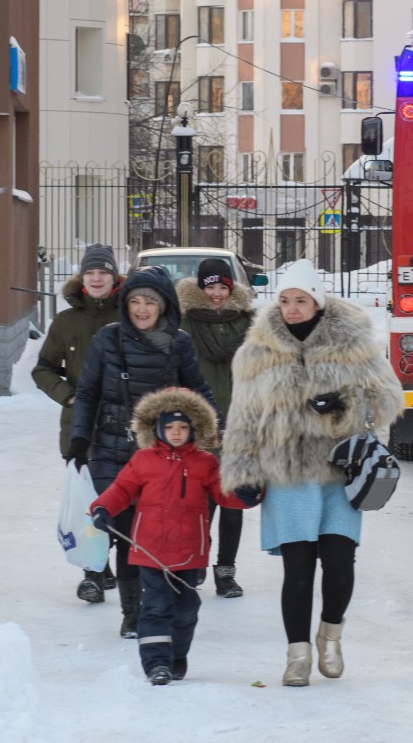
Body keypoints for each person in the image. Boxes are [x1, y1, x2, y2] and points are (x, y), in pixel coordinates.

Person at [221, 259, 402, 687]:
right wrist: (243, 468)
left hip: (338, 474)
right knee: (297, 570)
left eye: (301, 300)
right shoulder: (255, 352)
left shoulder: (352, 341)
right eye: (285, 300)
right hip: (287, 475)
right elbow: (243, 416)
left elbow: (390, 398)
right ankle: (297, 655)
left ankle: (330, 635)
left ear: (317, 302)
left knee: (340, 564)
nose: (292, 308)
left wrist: (347, 403)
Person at [68, 265, 217, 639]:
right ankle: (132, 612)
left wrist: (216, 430)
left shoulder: (179, 343)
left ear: (164, 304)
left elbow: (197, 390)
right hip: (111, 448)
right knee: (125, 531)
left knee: (150, 531)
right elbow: (87, 393)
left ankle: (158, 604)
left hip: (160, 453)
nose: (142, 309)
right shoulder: (107, 340)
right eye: (135, 301)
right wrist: (79, 440)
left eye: (150, 301)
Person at [89, 387, 249, 685]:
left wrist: (246, 494)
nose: (176, 433)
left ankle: (176, 654)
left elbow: (224, 495)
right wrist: (103, 508)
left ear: (194, 429)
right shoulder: (143, 460)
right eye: (170, 427)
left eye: (183, 427)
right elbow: (122, 489)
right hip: (150, 549)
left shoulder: (205, 463)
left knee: (187, 608)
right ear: (157, 428)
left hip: (190, 551)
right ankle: (156, 663)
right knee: (156, 606)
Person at [31, 243, 123, 600]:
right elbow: (43, 368)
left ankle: (107, 562)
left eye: (103, 272)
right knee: (89, 500)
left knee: (120, 498)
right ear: (82, 278)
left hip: (122, 425)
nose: (97, 278)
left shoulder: (129, 314)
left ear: (114, 277)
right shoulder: (67, 321)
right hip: (81, 426)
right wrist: (68, 395)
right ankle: (93, 574)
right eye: (90, 273)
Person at [176, 257, 256, 598]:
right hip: (201, 425)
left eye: (223, 287)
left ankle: (226, 572)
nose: (217, 294)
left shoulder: (250, 324)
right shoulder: (184, 324)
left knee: (233, 503)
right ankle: (195, 565)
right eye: (210, 287)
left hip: (239, 425)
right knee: (201, 503)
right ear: (200, 288)